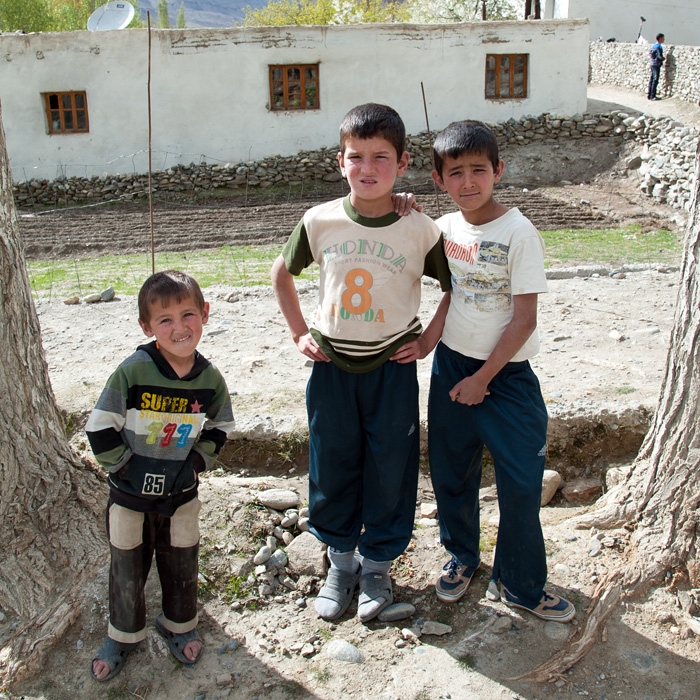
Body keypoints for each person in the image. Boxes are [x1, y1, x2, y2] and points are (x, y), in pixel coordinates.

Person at [271, 103, 451, 623]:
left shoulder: (419, 226)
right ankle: (340, 563)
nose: (367, 168)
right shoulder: (319, 220)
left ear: (402, 162)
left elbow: (451, 290)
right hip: (331, 368)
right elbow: (281, 274)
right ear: (340, 161)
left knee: (391, 465)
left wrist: (427, 341)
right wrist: (300, 331)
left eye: (381, 157)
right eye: (356, 157)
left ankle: (377, 565)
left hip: (392, 368)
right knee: (333, 461)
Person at [423, 120, 575, 622]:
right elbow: (452, 293)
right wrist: (428, 339)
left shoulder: (518, 231)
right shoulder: (445, 229)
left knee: (521, 482)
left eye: (478, 170)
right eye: (456, 173)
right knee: (451, 471)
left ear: (498, 171)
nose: (468, 182)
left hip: (505, 378)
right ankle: (462, 557)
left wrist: (482, 380)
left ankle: (523, 583)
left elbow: (524, 319)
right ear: (440, 178)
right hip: (451, 367)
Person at [86, 270, 236, 681]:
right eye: (164, 320)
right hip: (129, 497)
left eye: (188, 314)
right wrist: (127, 469)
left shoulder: (209, 379)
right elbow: (99, 428)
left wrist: (194, 466)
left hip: (181, 496)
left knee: (182, 559)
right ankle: (122, 634)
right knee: (127, 563)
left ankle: (179, 624)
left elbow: (220, 427)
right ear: (146, 327)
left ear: (205, 315)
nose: (179, 328)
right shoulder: (132, 372)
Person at [648, 33, 665, 101]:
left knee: (652, 79)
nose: (664, 39)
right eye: (663, 38)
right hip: (656, 64)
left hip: (652, 63)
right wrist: (663, 58)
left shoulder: (653, 46)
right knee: (655, 79)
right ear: (660, 38)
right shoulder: (659, 47)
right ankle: (653, 95)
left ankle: (649, 95)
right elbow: (659, 56)